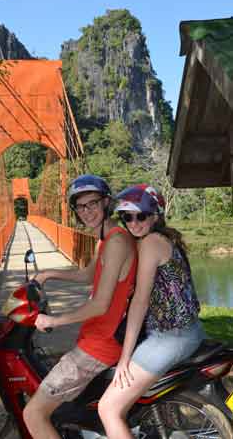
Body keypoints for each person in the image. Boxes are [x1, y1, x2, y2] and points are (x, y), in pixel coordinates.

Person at [23, 174, 138, 439]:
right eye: (81, 206)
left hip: (100, 345)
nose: (87, 211)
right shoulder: (106, 238)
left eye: (93, 203)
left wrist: (53, 321)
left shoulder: (117, 243)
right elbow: (88, 275)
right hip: (97, 337)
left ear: (107, 202)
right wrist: (48, 274)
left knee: (33, 414)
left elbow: (99, 305)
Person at [98, 183, 205, 439]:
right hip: (187, 331)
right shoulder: (163, 239)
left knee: (108, 408)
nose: (133, 223)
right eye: (126, 217)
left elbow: (141, 302)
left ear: (155, 216)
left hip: (170, 338)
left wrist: (125, 359)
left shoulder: (151, 243)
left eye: (140, 216)